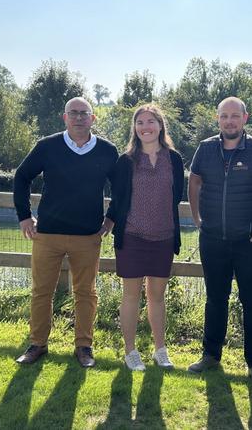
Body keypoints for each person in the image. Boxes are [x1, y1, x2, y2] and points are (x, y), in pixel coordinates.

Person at [13, 97, 118, 368]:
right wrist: (24, 216)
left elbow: (122, 189)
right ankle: (38, 344)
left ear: (94, 118)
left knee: (85, 293)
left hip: (88, 236)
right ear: (65, 117)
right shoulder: (47, 146)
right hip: (47, 234)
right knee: (41, 291)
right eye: (74, 113)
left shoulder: (107, 150)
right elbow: (22, 176)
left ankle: (84, 346)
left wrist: (111, 219)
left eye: (84, 113)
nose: (79, 118)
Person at [187, 96, 252, 387]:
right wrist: (197, 218)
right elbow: (193, 181)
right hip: (213, 239)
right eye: (224, 116)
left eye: (234, 116)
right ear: (218, 120)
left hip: (251, 242)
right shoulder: (205, 149)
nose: (229, 121)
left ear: (245, 118)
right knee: (215, 299)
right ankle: (210, 355)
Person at [104, 104, 184, 371]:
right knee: (131, 296)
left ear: (161, 126)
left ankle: (160, 350)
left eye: (151, 121)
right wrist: (108, 222)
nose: (145, 127)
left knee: (157, 297)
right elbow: (118, 197)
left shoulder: (174, 159)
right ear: (134, 128)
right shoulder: (125, 161)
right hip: (132, 237)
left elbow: (175, 198)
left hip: (163, 238)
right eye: (140, 122)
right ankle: (131, 352)